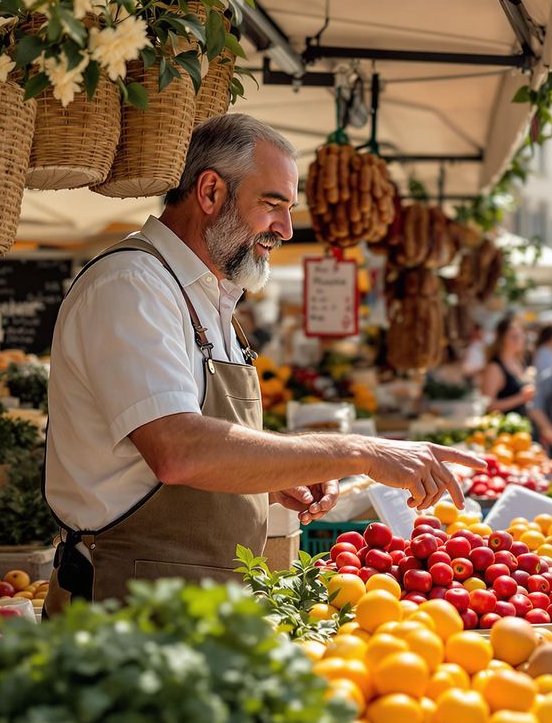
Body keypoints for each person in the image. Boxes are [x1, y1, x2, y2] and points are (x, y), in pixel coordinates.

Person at [44, 114, 483, 610]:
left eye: (290, 209)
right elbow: (178, 450)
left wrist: (269, 481)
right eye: (273, 205)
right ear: (209, 192)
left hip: (194, 606)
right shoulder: (131, 286)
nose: (287, 229)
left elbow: (156, 468)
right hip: (124, 609)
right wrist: (360, 451)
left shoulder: (208, 299)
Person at [480, 315, 535, 414]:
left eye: (521, 336)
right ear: (502, 339)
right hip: (505, 427)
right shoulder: (495, 367)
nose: (519, 340)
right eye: (514, 337)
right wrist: (521, 398)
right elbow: (488, 405)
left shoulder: (520, 361)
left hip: (521, 426)